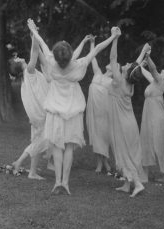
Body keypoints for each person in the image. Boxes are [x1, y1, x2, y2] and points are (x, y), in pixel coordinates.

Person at [28, 19, 118, 195]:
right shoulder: (79, 65)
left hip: (55, 111)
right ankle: (66, 183)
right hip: (73, 111)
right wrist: (113, 36)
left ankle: (58, 182)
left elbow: (41, 44)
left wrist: (33, 31)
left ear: (56, 55)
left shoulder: (51, 63)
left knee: (58, 148)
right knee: (69, 147)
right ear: (70, 55)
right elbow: (98, 48)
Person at [108, 34, 149, 197]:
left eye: (125, 66)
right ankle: (127, 184)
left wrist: (115, 38)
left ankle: (137, 184)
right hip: (129, 123)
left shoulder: (119, 81)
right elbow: (135, 66)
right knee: (128, 153)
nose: (124, 64)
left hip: (122, 125)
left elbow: (113, 57)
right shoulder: (130, 81)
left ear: (125, 73)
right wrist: (144, 51)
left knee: (125, 154)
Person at [11, 25, 50, 180]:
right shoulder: (29, 71)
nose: (19, 57)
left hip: (36, 115)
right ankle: (18, 162)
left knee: (37, 140)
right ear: (18, 65)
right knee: (42, 140)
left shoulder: (25, 78)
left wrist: (33, 34)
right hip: (42, 113)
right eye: (17, 59)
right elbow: (34, 52)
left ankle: (32, 172)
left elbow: (35, 50)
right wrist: (34, 32)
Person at [139, 49, 164, 184]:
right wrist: (141, 66)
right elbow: (148, 73)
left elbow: (153, 69)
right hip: (149, 116)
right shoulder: (155, 81)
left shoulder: (159, 81)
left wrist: (148, 57)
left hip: (157, 118)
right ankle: (145, 174)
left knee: (159, 144)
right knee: (146, 142)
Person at [86, 54, 113, 175]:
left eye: (115, 64)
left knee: (104, 136)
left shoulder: (113, 81)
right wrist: (92, 44)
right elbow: (93, 59)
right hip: (93, 111)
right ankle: (99, 162)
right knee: (96, 135)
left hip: (104, 111)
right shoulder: (98, 73)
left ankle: (105, 161)